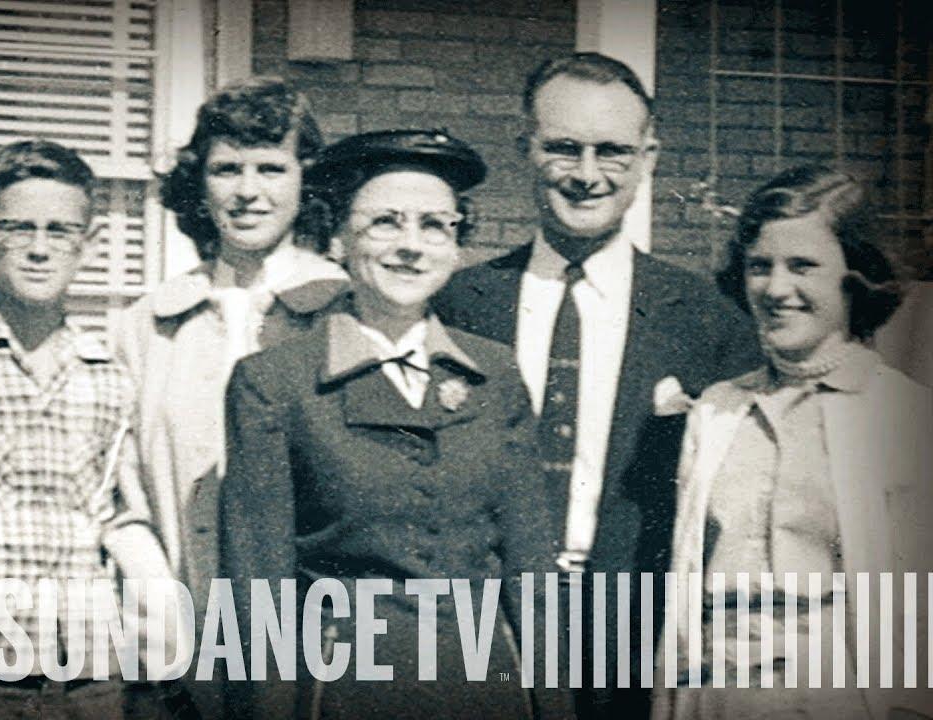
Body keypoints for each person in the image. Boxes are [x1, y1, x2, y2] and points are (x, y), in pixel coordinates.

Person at [432, 53, 761, 718]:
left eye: (611, 151)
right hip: (481, 631)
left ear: (648, 158)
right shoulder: (457, 305)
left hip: (631, 644)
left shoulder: (708, 322)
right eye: (563, 148)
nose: (586, 174)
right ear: (525, 149)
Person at [218, 129, 552, 720]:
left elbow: (532, 572)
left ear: (457, 245)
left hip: (485, 689)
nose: (411, 246)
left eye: (435, 225)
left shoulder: (495, 375)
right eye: (385, 223)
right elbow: (257, 590)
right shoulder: (274, 383)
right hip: (345, 691)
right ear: (339, 239)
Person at [652, 166, 933, 720]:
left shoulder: (905, 415)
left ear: (855, 275)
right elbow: (685, 583)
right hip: (716, 695)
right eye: (760, 266)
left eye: (802, 266)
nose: (776, 289)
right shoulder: (717, 410)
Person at [0, 140, 178, 720]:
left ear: (90, 243)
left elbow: (120, 515)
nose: (38, 249)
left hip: (90, 671)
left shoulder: (109, 374)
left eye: (59, 230)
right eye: (16, 228)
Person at [112, 76, 348, 612]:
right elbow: (123, 495)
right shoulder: (147, 327)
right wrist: (156, 593)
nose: (247, 191)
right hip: (181, 618)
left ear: (305, 181)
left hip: (319, 623)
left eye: (271, 168)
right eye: (226, 169)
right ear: (198, 183)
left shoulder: (344, 310)